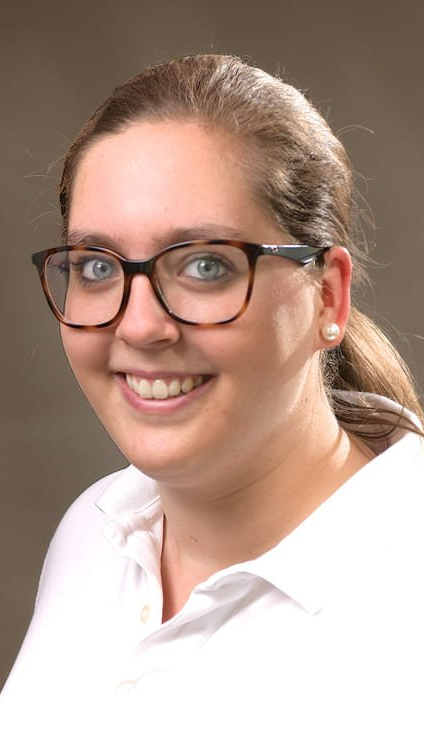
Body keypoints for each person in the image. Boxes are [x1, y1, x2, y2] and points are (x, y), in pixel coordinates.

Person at [1, 53, 423, 749]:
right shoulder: (96, 530)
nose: (140, 326)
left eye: (204, 265)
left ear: (328, 296)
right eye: (99, 267)